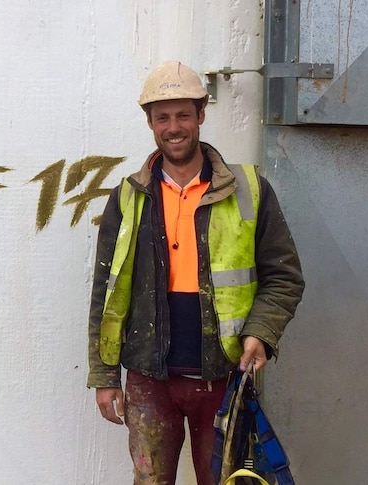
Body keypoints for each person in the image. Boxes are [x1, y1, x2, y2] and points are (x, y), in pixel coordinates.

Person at [86, 61, 304, 485]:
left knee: (225, 481)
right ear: (149, 122)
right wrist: (104, 375)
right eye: (163, 117)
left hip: (223, 375)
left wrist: (261, 332)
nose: (174, 126)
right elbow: (105, 293)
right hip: (150, 380)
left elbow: (285, 275)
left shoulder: (248, 189)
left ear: (201, 114)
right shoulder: (128, 197)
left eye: (184, 114)